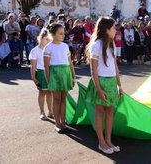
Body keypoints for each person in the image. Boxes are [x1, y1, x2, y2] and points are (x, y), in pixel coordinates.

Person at [85, 17, 123, 154]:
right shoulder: (96, 45)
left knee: (110, 111)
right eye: (113, 28)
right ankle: (101, 142)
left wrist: (119, 85)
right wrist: (98, 89)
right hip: (100, 81)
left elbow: (115, 67)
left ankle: (108, 140)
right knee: (99, 111)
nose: (115, 30)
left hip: (112, 82)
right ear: (107, 30)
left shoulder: (112, 45)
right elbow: (93, 69)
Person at [43, 24, 76, 133]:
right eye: (60, 33)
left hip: (65, 73)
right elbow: (46, 67)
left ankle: (63, 122)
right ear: (53, 34)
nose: (63, 35)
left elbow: (70, 62)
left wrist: (73, 76)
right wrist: (49, 81)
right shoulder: (48, 48)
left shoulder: (65, 46)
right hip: (55, 75)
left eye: (63, 33)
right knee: (56, 99)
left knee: (63, 99)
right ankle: (57, 124)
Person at [29, 29, 53, 120]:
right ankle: (42, 112)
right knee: (42, 93)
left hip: (49, 72)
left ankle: (50, 111)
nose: (48, 42)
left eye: (49, 40)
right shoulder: (34, 51)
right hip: (41, 73)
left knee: (50, 92)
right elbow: (33, 66)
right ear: (41, 38)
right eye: (46, 39)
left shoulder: (49, 50)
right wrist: (33, 77)